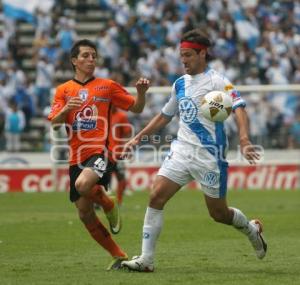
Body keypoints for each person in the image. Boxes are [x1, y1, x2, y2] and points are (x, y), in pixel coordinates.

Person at [121, 29, 267, 272]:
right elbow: (164, 116)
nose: (184, 61)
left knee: (219, 213)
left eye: (188, 55)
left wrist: (244, 138)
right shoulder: (180, 84)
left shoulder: (218, 82)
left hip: (209, 156)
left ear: (202, 53)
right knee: (156, 196)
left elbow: (239, 108)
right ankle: (147, 260)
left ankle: (253, 230)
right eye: (181, 56)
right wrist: (137, 139)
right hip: (181, 152)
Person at [48, 39, 150, 270]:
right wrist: (66, 109)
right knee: (84, 213)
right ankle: (119, 255)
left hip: (100, 151)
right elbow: (54, 123)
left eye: (93, 56)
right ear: (74, 61)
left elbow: (137, 107)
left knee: (84, 185)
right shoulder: (63, 90)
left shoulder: (107, 86)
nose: (91, 60)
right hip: (76, 156)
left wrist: (141, 93)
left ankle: (108, 203)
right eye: (85, 56)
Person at [110, 105, 132, 205]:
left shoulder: (121, 116)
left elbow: (127, 133)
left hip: (117, 153)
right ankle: (99, 202)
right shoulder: (102, 114)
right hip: (103, 153)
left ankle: (119, 201)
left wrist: (126, 147)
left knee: (121, 178)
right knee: (100, 179)